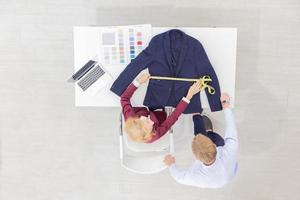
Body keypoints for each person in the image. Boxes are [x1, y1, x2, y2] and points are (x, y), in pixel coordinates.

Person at [164, 93, 238, 188]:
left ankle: (198, 116)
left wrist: (171, 165)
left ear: (197, 158)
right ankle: (208, 130)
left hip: (225, 175)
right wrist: (226, 104)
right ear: (214, 146)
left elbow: (179, 178)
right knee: (209, 135)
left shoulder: (197, 177)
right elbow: (231, 127)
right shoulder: (229, 152)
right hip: (229, 171)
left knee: (199, 132)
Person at [121, 73, 203, 143]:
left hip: (146, 110)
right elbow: (173, 117)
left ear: (136, 119)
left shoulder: (130, 115)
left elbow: (124, 98)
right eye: (150, 126)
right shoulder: (156, 134)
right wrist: (189, 96)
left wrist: (138, 82)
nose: (152, 123)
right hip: (160, 118)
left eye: (147, 121)